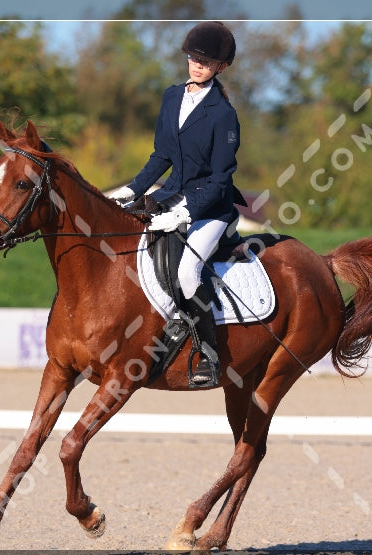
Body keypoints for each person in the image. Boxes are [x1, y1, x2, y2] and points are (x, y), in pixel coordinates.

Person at [108, 21, 243, 388]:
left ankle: (208, 354)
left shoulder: (223, 115)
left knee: (186, 272)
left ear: (221, 67)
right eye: (194, 58)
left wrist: (185, 213)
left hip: (211, 207)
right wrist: (132, 190)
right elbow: (162, 155)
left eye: (206, 61)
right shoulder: (171, 97)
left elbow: (221, 180)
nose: (197, 65)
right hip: (171, 195)